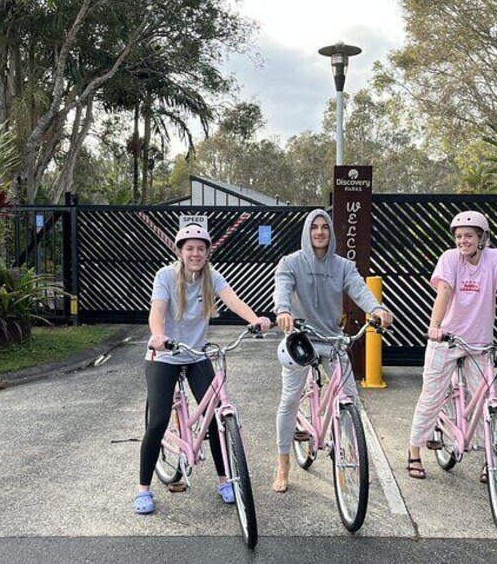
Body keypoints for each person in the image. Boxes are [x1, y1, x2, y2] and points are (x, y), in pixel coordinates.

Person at [134, 224, 271, 514]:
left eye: (201, 248)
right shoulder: (166, 276)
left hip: (196, 355)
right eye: (189, 248)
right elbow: (156, 311)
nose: (195, 253)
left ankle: (224, 480)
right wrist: (157, 336)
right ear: (180, 252)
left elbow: (234, 302)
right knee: (158, 420)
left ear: (208, 252)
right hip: (164, 355)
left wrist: (255, 319)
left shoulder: (212, 277)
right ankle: (143, 489)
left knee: (215, 417)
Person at [406, 210, 497, 481]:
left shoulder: (496, 259)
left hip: (479, 343)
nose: (462, 241)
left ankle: (489, 459)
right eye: (459, 236)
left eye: (469, 236)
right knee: (431, 396)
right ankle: (414, 451)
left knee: (486, 399)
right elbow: (444, 291)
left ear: (482, 238)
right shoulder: (450, 258)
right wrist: (435, 326)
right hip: (446, 340)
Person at [272, 209, 394, 493]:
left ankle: (350, 455)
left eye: (324, 227)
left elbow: (359, 289)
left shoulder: (343, 265)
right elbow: (282, 288)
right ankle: (283, 462)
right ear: (307, 231)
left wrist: (376, 308)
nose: (319, 232)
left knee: (349, 397)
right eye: (314, 227)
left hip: (332, 338)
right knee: (290, 399)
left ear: (331, 232)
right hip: (300, 339)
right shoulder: (290, 262)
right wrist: (283, 310)